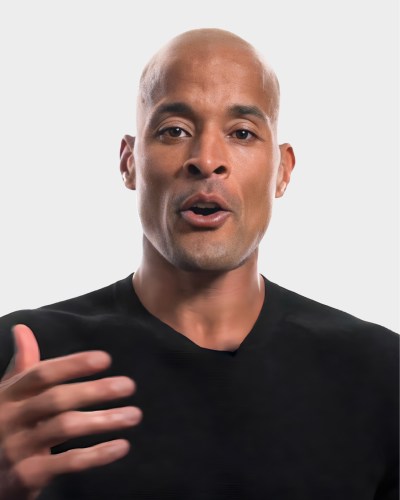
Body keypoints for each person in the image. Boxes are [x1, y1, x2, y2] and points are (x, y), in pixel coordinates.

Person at [0, 28, 398, 500]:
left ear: (283, 170)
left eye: (242, 133)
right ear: (129, 161)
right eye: (175, 131)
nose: (207, 160)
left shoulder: (380, 374)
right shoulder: (23, 362)